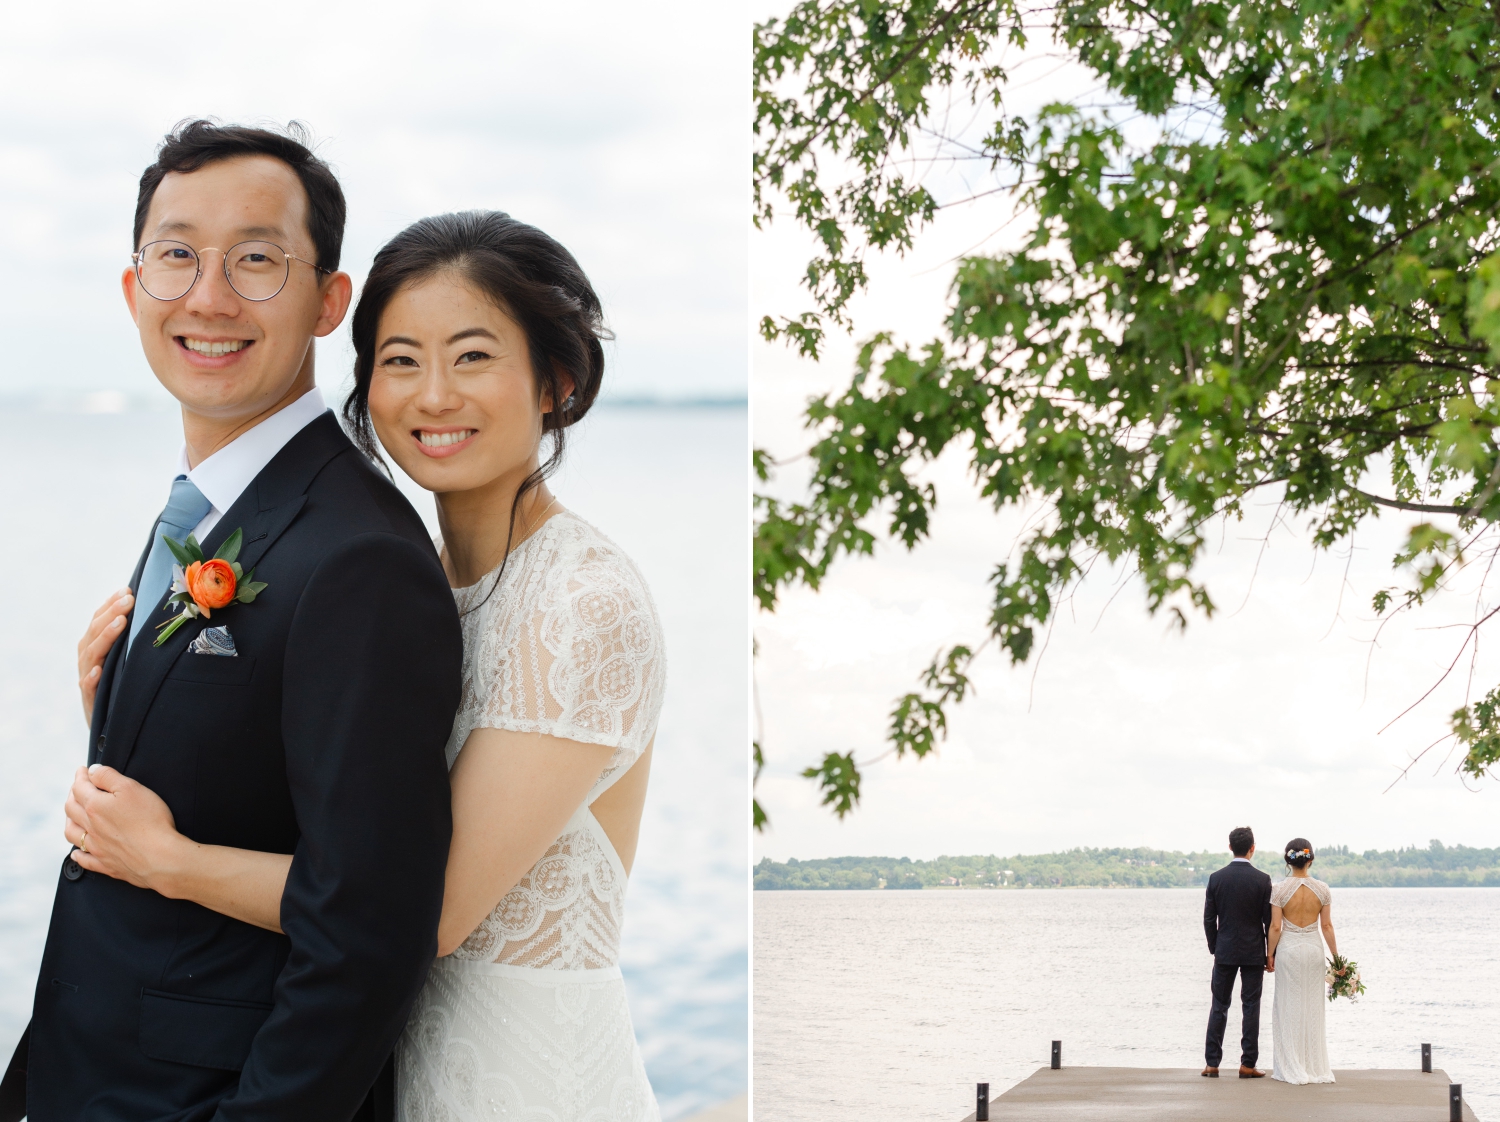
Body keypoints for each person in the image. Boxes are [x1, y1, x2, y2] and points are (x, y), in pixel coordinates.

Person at [54, 210, 667, 1121]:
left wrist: (171, 861)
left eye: (472, 358)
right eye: (399, 359)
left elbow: (425, 911)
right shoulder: (410, 574)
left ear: (557, 382)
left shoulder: (583, 604)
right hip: (389, 1068)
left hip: (524, 1080)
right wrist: (138, 706)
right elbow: (330, 816)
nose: (432, 396)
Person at [1, 121, 464, 1122]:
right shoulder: (214, 501)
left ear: (329, 303)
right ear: (134, 291)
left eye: (257, 259)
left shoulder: (360, 556)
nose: (207, 296)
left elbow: (369, 927)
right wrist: (124, 702)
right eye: (176, 256)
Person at [1202, 825, 1273, 1078]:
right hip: (1254, 952)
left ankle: (1212, 1063)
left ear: (1230, 847)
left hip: (1225, 951)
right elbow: (1269, 921)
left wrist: (1215, 947)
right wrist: (1269, 954)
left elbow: (1209, 919)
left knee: (1219, 1005)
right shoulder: (1263, 880)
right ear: (1252, 848)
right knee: (1251, 1006)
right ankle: (1247, 1064)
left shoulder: (1216, 878)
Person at [1268, 838, 1337, 1084]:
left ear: (1289, 860)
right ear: (1311, 859)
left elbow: (1276, 927)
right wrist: (1337, 959)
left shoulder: (1278, 890)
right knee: (1312, 1006)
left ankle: (1292, 1065)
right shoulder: (1323, 889)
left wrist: (1269, 954)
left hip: (1288, 950)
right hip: (1314, 950)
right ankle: (1313, 1066)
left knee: (1288, 1005)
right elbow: (1326, 926)